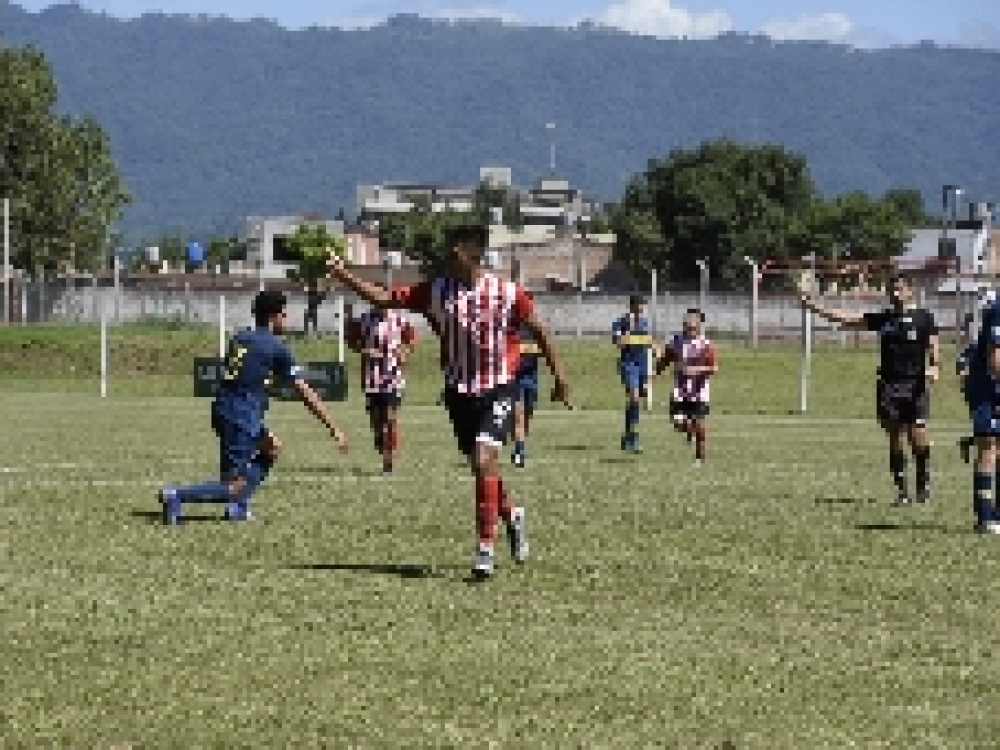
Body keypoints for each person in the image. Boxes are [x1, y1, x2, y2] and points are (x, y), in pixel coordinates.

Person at [327, 223, 572, 579]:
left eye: (449, 248)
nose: (443, 255)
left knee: (484, 456)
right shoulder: (436, 290)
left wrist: (560, 378)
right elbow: (384, 299)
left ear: (463, 253)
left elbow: (541, 330)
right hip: (459, 391)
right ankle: (512, 513)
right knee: (481, 466)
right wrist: (341, 274)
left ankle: (484, 549)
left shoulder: (507, 292)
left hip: (499, 387)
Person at [158, 290, 349, 524]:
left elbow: (250, 373)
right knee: (233, 486)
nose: (286, 320)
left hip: (227, 408)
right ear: (273, 316)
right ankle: (176, 496)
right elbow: (304, 391)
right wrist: (333, 427)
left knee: (272, 447)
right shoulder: (276, 348)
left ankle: (237, 508)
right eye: (284, 315)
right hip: (240, 415)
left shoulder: (240, 337)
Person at [800, 274, 939, 505]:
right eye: (891, 290)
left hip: (915, 384)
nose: (894, 294)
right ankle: (902, 491)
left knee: (918, 437)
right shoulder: (884, 319)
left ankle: (923, 479)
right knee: (895, 436)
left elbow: (934, 347)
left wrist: (934, 367)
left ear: (909, 292)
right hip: (888, 385)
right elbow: (847, 318)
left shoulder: (924, 318)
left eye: (899, 290)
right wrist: (814, 307)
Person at [353, 304, 417, 474]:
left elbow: (411, 339)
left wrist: (405, 353)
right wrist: (364, 350)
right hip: (371, 378)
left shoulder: (399, 320)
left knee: (390, 418)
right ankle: (380, 438)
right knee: (376, 420)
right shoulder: (363, 320)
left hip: (393, 377)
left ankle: (389, 458)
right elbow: (352, 341)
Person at [654, 308, 719, 466]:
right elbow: (665, 361)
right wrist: (654, 372)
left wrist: (696, 370)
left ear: (699, 324)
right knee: (677, 422)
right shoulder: (676, 341)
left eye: (692, 319)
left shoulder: (706, 345)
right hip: (680, 390)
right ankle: (690, 432)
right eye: (686, 319)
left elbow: (714, 368)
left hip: (699, 391)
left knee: (699, 424)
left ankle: (699, 459)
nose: (687, 322)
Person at [965, 296, 1000, 532]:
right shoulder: (999, 309)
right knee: (988, 445)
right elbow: (995, 358)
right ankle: (985, 517)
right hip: (987, 387)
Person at [612, 294, 653, 452]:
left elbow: (648, 340)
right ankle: (633, 437)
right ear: (632, 306)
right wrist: (628, 327)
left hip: (642, 365)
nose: (642, 309)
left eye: (643, 306)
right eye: (639, 305)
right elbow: (619, 344)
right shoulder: (620, 323)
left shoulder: (644, 322)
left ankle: (628, 434)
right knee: (634, 397)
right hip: (628, 364)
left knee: (636, 401)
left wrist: (655, 349)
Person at [511, 312, 541, 468]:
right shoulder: (510, 326)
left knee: (527, 413)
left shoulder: (534, 328)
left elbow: (544, 347)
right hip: (513, 376)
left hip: (531, 376)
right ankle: (519, 451)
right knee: (518, 414)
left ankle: (521, 443)